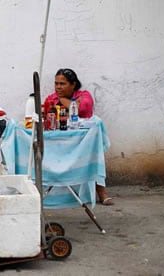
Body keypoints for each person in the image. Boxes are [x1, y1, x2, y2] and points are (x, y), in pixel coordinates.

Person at [44, 68, 113, 205]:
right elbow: (46, 113)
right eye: (56, 83)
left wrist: (62, 99)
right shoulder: (51, 99)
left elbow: (82, 109)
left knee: (93, 154)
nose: (58, 87)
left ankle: (101, 191)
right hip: (61, 140)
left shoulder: (84, 95)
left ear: (73, 84)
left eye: (62, 84)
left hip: (83, 140)